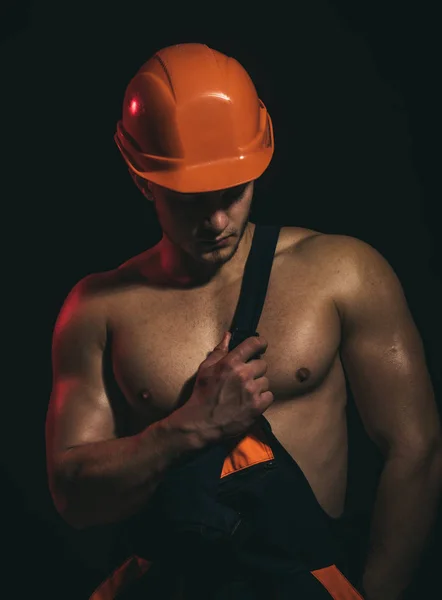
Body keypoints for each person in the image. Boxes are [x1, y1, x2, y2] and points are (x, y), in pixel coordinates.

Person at [45, 43, 442, 600]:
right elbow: (74, 497)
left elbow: (416, 448)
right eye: (189, 199)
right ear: (143, 181)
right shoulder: (98, 309)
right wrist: (183, 429)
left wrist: (378, 593)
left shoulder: (343, 273)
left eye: (232, 193)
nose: (215, 220)